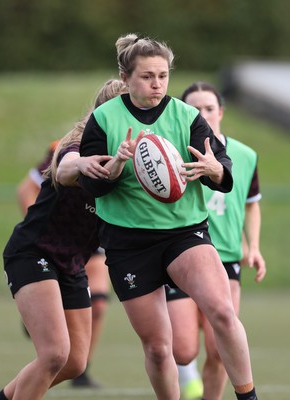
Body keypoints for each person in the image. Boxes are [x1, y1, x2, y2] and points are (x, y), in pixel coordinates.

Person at [78, 33, 260, 400]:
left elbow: (225, 173)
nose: (157, 83)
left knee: (223, 313)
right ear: (126, 77)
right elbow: (90, 187)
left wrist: (214, 169)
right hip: (128, 243)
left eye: (162, 75)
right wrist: (115, 165)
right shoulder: (103, 120)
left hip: (185, 234)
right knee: (161, 349)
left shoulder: (187, 116)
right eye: (147, 76)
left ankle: (248, 396)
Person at [0, 79, 128, 400]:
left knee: (75, 362)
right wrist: (80, 164)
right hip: (33, 252)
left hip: (72, 263)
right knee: (54, 353)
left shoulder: (131, 158)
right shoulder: (75, 144)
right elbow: (66, 165)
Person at [166, 81, 266, 400]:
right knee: (182, 350)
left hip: (225, 256)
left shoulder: (246, 155)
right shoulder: (169, 152)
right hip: (182, 252)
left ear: (220, 112)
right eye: (195, 109)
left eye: (209, 108)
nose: (203, 114)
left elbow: (252, 204)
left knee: (219, 348)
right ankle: (185, 373)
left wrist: (253, 247)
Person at [17, 144, 109, 389]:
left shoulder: (134, 156)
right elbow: (26, 189)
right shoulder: (66, 148)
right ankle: (40, 311)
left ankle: (83, 370)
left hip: (88, 244)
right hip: (47, 245)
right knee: (55, 353)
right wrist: (36, 221)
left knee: (98, 305)